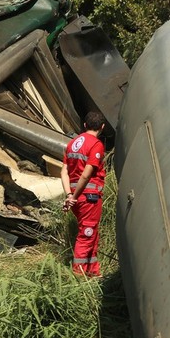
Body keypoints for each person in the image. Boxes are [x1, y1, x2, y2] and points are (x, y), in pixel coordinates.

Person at [60, 111, 107, 277]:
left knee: (92, 232)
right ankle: (78, 275)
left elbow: (64, 172)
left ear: (85, 125)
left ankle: (93, 271)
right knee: (86, 234)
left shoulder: (72, 144)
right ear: (102, 127)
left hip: (76, 197)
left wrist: (69, 195)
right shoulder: (96, 145)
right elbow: (86, 174)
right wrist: (73, 197)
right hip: (88, 197)